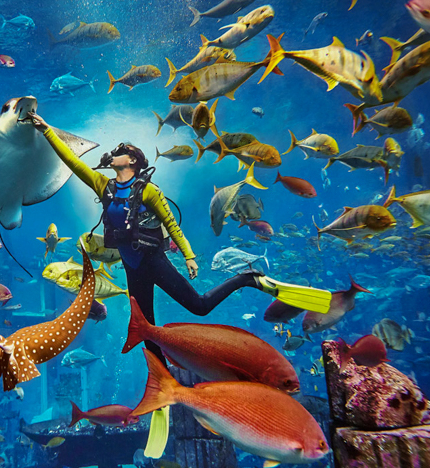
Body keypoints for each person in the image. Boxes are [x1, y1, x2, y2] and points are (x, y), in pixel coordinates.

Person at [30, 112, 331, 364]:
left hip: (152, 260)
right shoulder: (102, 185)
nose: (115, 153)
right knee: (144, 329)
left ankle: (249, 278)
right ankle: (163, 383)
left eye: (122, 150)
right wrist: (46, 130)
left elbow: (171, 225)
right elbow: (72, 161)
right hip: (131, 267)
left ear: (132, 161)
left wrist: (187, 255)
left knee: (199, 306)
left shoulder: (147, 190)